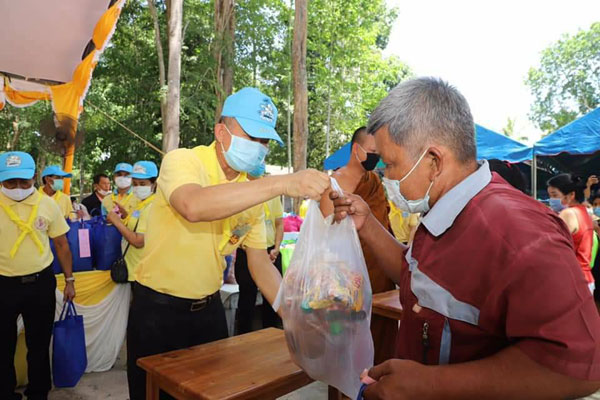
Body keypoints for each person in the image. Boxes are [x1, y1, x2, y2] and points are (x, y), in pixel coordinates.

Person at [331, 77, 600, 399]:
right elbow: (413, 275)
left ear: (433, 160)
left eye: (390, 164)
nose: (385, 176)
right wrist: (369, 224)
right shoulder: (442, 212)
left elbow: (579, 367)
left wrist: (429, 384)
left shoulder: (519, 235)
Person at [127, 87, 330, 400]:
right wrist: (280, 183)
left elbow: (260, 263)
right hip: (157, 312)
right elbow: (193, 206)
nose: (259, 147)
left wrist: (292, 315)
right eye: (252, 136)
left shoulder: (251, 192)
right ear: (221, 132)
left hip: (209, 312)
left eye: (264, 141)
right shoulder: (184, 161)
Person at [0, 151, 76, 400]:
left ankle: (38, 393)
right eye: (10, 183)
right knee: (3, 347)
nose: (18, 188)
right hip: (3, 285)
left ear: (34, 178)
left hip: (40, 284)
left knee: (39, 345)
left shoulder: (48, 204)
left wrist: (70, 280)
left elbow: (62, 244)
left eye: (24, 182)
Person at [320, 127, 397, 364]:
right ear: (356, 150)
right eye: (372, 152)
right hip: (349, 282)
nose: (377, 158)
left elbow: (383, 224)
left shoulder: (374, 181)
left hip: (380, 275)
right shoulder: (333, 185)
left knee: (381, 349)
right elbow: (328, 238)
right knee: (350, 356)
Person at [235, 164, 285, 334]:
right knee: (246, 300)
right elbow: (237, 228)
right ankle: (243, 338)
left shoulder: (271, 193)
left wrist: (276, 248)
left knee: (272, 299)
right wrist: (239, 243)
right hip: (247, 251)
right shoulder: (240, 191)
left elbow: (279, 223)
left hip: (271, 251)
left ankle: (271, 334)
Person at [107, 161, 158, 283]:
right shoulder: (140, 202)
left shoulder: (152, 206)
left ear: (154, 184)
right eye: (135, 184)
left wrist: (116, 222)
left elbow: (138, 241)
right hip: (134, 268)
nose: (138, 187)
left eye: (142, 183)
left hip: (143, 272)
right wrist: (124, 215)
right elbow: (135, 225)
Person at [547, 173, 596, 294]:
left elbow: (551, 248)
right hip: (585, 278)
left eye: (554, 195)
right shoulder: (584, 211)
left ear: (571, 195)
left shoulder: (568, 213)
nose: (551, 200)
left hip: (572, 280)